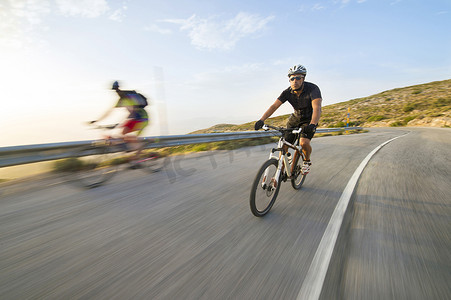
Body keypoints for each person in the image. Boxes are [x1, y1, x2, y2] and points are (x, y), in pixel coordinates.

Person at [254, 65, 322, 174]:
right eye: (292, 78)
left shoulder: (313, 89)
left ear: (303, 78)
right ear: (289, 80)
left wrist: (313, 124)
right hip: (295, 119)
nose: (295, 81)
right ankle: (281, 170)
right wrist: (261, 120)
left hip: (309, 120)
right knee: (284, 145)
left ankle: (307, 161)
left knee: (304, 143)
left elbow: (317, 108)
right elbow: (274, 106)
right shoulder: (287, 92)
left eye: (298, 78)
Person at [91, 81, 149, 167]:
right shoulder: (121, 100)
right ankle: (135, 154)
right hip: (135, 119)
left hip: (142, 119)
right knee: (124, 135)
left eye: (117, 90)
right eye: (115, 90)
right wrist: (97, 120)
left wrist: (118, 124)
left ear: (119, 89)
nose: (116, 92)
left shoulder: (130, 97)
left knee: (127, 136)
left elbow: (132, 112)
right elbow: (109, 112)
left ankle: (137, 159)